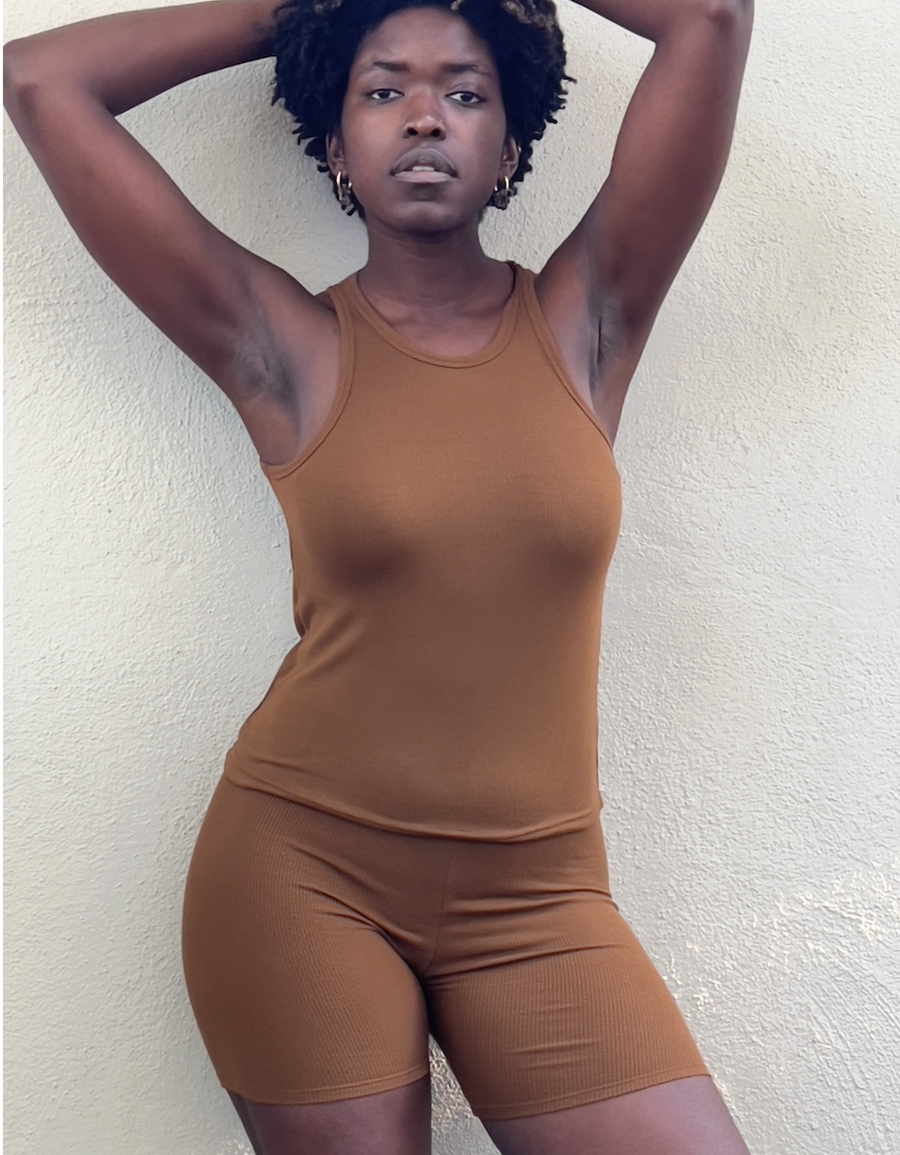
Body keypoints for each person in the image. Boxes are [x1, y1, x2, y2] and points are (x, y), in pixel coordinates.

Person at [1, 0, 754, 1150]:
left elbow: (710, 18)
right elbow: (39, 79)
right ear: (335, 144)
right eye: (382, 89)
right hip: (303, 873)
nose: (423, 118)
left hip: (541, 897)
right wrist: (308, 11)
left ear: (510, 143)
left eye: (464, 92)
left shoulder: (589, 320)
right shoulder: (286, 349)